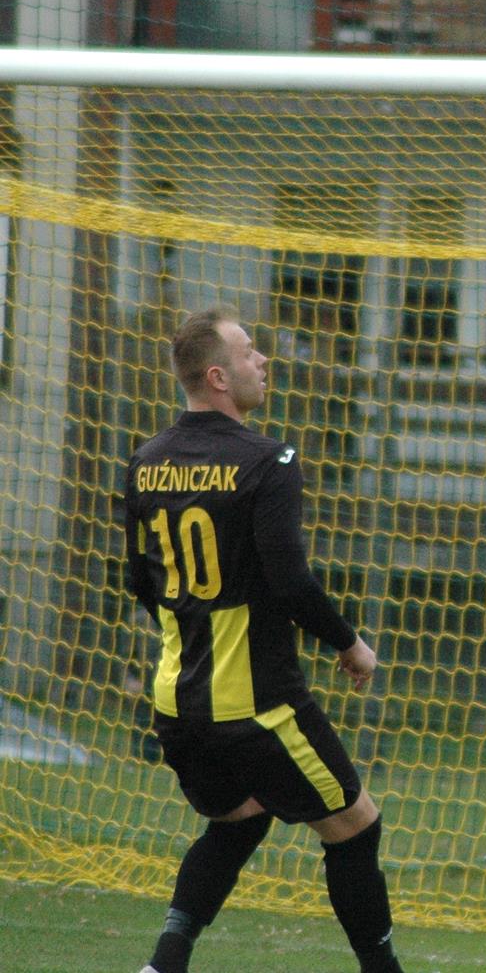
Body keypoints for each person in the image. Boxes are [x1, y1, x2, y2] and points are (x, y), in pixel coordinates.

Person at [122, 305, 404, 973]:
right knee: (356, 827)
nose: (264, 360)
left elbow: (140, 580)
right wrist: (349, 643)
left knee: (241, 818)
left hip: (177, 703)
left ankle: (163, 963)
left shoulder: (145, 461)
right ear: (218, 376)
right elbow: (291, 582)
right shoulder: (267, 460)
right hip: (260, 703)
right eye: (250, 353)